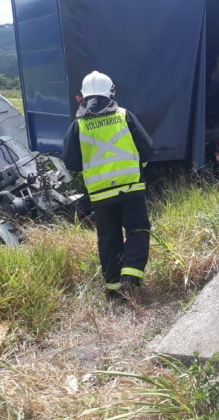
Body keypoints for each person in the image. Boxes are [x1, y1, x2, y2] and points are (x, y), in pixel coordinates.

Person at [63, 71, 154, 300]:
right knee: (137, 230)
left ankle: (113, 290)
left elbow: (71, 161)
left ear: (82, 96)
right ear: (111, 92)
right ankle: (131, 279)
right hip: (130, 187)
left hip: (100, 194)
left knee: (108, 237)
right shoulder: (124, 116)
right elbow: (147, 148)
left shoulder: (78, 125)